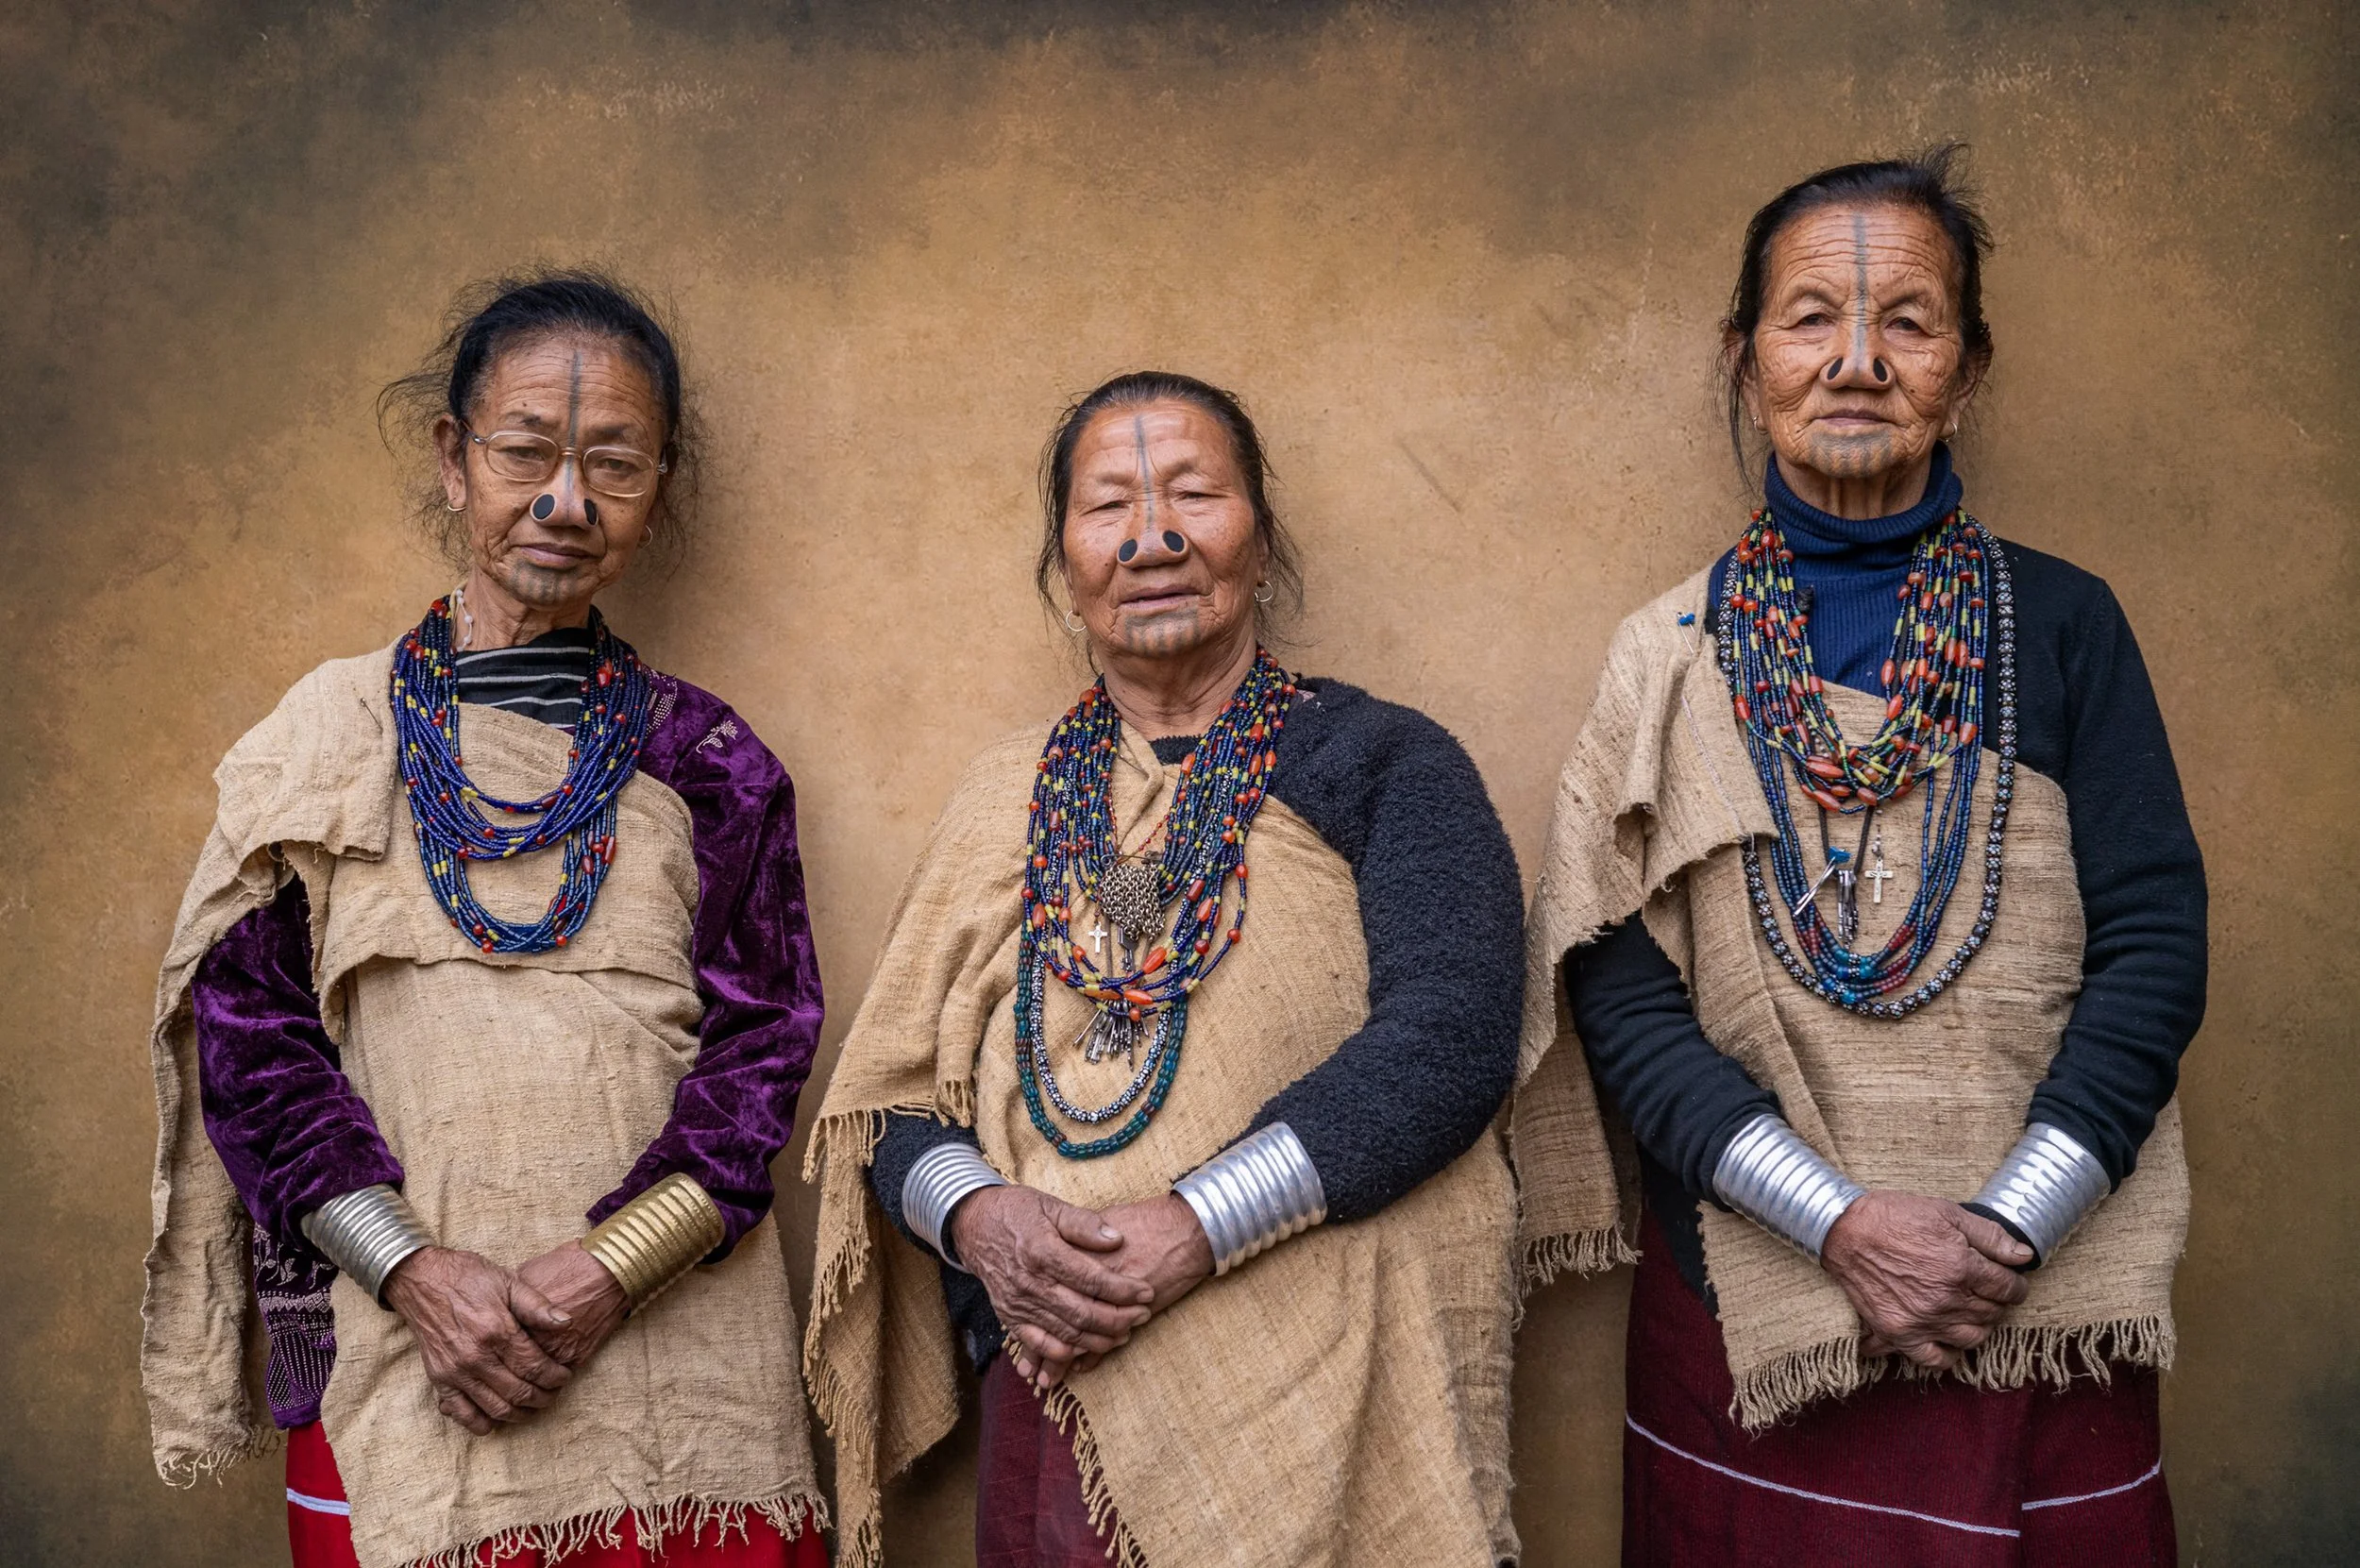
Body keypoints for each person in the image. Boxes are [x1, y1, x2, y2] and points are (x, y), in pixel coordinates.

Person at [1512, 148, 2203, 1564]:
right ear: (1745, 354)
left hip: (2038, 1304)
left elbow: (2155, 943)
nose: (1858, 361)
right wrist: (1835, 1224)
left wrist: (2004, 1226)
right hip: (1753, 1311)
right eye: (1812, 315)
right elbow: (1622, 994)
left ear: (1967, 366)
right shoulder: (1671, 655)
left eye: (1909, 321)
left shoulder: (2064, 626)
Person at [141, 271, 829, 1568]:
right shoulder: (324, 744)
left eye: (614, 465)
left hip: (676, 1376)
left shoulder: (714, 764)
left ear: (655, 491)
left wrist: (609, 1269)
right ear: (455, 460)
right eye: (527, 452)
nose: (566, 502)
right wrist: (416, 1274)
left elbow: (761, 1055)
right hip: (402, 1351)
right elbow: (255, 1051)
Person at [802, 372, 1526, 1568]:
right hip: (1062, 1377)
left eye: (1195, 493)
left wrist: (1194, 1225)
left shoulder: (1387, 761)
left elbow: (1451, 1037)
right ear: (1064, 556)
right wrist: (984, 1222)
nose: (1154, 538)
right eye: (1109, 508)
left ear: (1261, 533)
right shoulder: (1006, 797)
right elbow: (887, 1100)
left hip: (1323, 1387)